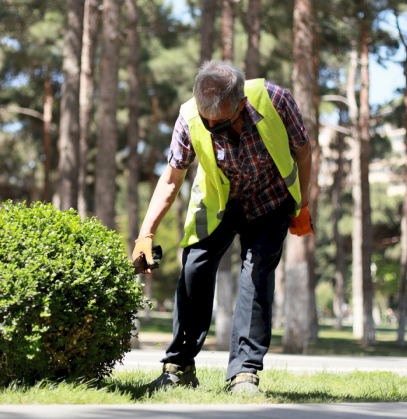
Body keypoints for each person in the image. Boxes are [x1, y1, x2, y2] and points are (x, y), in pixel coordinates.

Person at [132, 60, 314, 395]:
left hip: (269, 201)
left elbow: (303, 152)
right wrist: (146, 232)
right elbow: (172, 179)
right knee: (194, 270)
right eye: (207, 122)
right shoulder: (189, 117)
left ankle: (244, 374)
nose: (212, 126)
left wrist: (302, 205)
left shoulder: (277, 100)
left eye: (221, 123)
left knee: (256, 277)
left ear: (241, 105)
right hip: (218, 200)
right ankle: (178, 368)